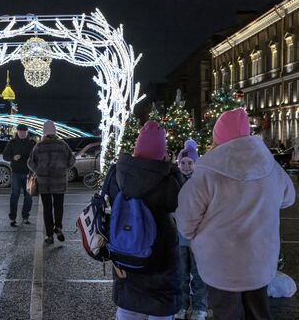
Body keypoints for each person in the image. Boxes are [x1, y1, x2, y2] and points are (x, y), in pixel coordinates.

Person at [176, 108, 295, 320]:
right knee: (259, 313)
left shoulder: (206, 171)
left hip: (220, 265)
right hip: (259, 261)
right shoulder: (270, 165)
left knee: (227, 313)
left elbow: (186, 222)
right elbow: (288, 198)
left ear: (218, 137)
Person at [105, 121, 182, 320]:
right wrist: (171, 168)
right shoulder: (167, 181)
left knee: (127, 309)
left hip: (125, 254)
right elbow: (179, 203)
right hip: (160, 262)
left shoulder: (117, 174)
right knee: (160, 313)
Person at [174, 139, 208, 320]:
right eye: (183, 163)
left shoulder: (201, 182)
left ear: (196, 163)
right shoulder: (175, 181)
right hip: (180, 237)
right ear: (178, 164)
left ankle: (200, 307)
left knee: (199, 274)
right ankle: (181, 305)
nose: (186, 166)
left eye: (190, 163)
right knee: (180, 274)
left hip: (197, 238)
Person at [27, 121, 75, 244]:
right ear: (55, 132)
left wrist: (38, 170)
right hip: (59, 181)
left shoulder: (39, 146)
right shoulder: (62, 145)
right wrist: (63, 168)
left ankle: (49, 236)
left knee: (47, 209)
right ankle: (58, 227)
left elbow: (30, 162)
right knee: (58, 206)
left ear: (44, 133)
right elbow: (72, 160)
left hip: (44, 183)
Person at [2, 124, 36, 227]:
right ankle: (12, 218)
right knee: (14, 196)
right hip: (16, 173)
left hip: (29, 174)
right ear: (17, 131)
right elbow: (5, 156)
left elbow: (37, 157)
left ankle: (25, 217)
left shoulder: (32, 143)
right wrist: (13, 158)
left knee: (29, 197)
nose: (22, 133)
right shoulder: (12, 143)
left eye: (24, 131)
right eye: (20, 131)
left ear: (27, 132)